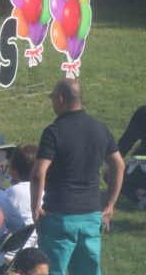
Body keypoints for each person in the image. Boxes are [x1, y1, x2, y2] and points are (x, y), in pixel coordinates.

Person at [30, 78, 124, 275]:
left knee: (52, 270)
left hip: (59, 217)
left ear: (60, 99)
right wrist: (110, 205)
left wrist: (36, 207)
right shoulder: (100, 128)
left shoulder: (54, 132)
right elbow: (118, 165)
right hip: (91, 217)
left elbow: (39, 173)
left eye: (52, 98)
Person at [6, 144, 38, 250]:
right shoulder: (44, 190)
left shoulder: (14, 192)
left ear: (14, 169)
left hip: (11, 252)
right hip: (37, 247)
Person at [116, 105, 146, 208]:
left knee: (111, 173)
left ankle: (141, 196)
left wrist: (114, 164)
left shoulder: (143, 112)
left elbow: (125, 143)